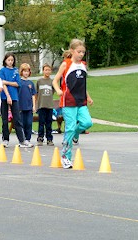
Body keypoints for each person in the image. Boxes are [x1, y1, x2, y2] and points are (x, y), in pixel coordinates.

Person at [52, 39, 93, 169]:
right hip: (68, 101)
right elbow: (55, 81)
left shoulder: (83, 65)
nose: (81, 54)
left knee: (87, 123)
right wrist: (58, 90)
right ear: (72, 51)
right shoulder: (66, 64)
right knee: (69, 127)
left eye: (83, 52)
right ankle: (66, 157)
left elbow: (82, 84)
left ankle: (76, 134)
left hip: (81, 101)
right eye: (79, 51)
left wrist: (88, 97)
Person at [0, 52, 33, 148]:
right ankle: (5, 139)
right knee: (5, 119)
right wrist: (8, 96)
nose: (10, 62)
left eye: (12, 60)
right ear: (5, 60)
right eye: (8, 60)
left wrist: (8, 82)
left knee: (17, 119)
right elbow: (2, 84)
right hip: (5, 96)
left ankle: (22, 140)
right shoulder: (2, 71)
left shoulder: (15, 71)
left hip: (15, 97)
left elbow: (18, 84)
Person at [36, 63, 55, 146]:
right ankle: (40, 138)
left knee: (49, 123)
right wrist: (36, 104)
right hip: (41, 105)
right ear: (43, 71)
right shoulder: (39, 81)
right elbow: (36, 93)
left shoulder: (52, 81)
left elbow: (53, 91)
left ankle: (49, 139)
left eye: (49, 70)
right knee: (41, 122)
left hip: (49, 105)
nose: (47, 71)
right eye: (46, 70)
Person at [18, 63, 36, 146]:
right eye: (24, 71)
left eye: (27, 71)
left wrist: (34, 105)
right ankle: (22, 139)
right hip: (20, 107)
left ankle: (28, 139)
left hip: (29, 107)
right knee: (22, 123)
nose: (26, 73)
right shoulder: (19, 82)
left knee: (29, 123)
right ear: (21, 72)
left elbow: (33, 95)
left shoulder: (31, 83)